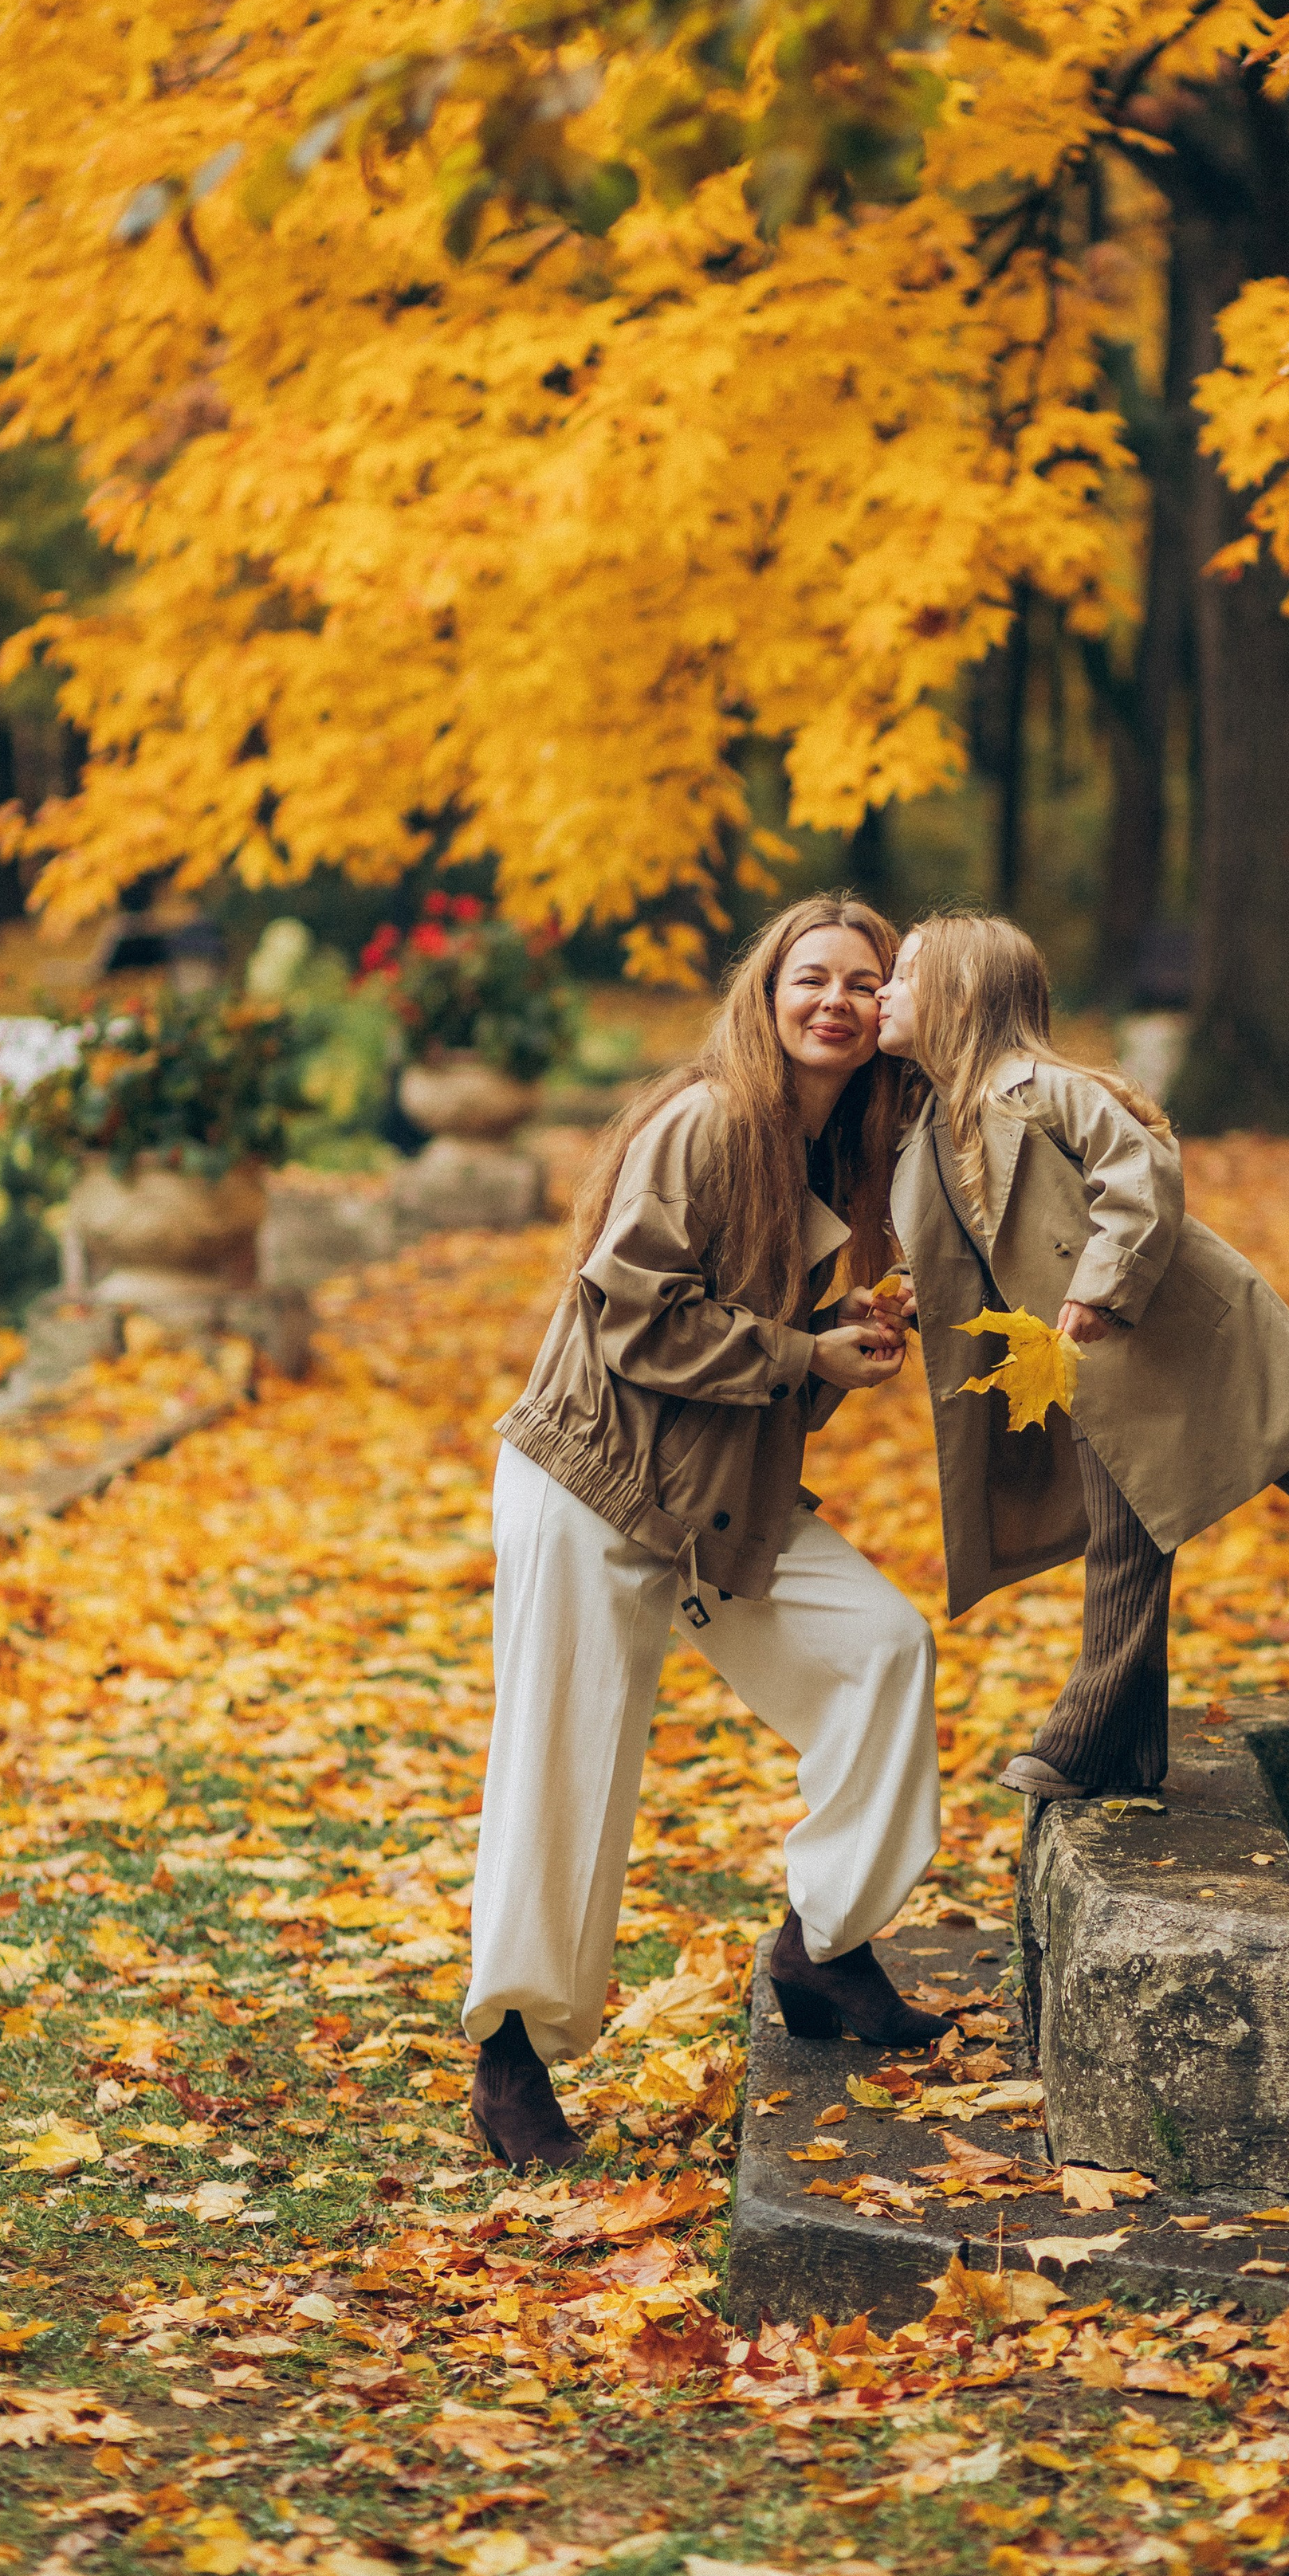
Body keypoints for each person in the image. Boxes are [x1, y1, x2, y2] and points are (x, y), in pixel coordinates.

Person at [465, 896, 950, 2172]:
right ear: (767, 993)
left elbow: (766, 1341)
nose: (835, 1001)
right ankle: (510, 2059)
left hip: (723, 1506)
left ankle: (825, 1947)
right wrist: (801, 1351)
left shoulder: (843, 1156)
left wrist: (837, 1344)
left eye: (865, 983)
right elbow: (634, 1322)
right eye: (812, 978)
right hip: (595, 1488)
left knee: (883, 1653)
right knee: (567, 1769)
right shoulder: (709, 1121)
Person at [873, 913, 1289, 1801]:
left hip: (1175, 1319)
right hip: (1096, 1363)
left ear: (958, 996)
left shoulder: (1035, 1087)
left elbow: (1141, 1169)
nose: (881, 991)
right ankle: (1111, 1740)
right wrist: (920, 1294)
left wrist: (1104, 1284)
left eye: (902, 974)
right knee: (1127, 1537)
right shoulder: (936, 1128)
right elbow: (979, 1247)